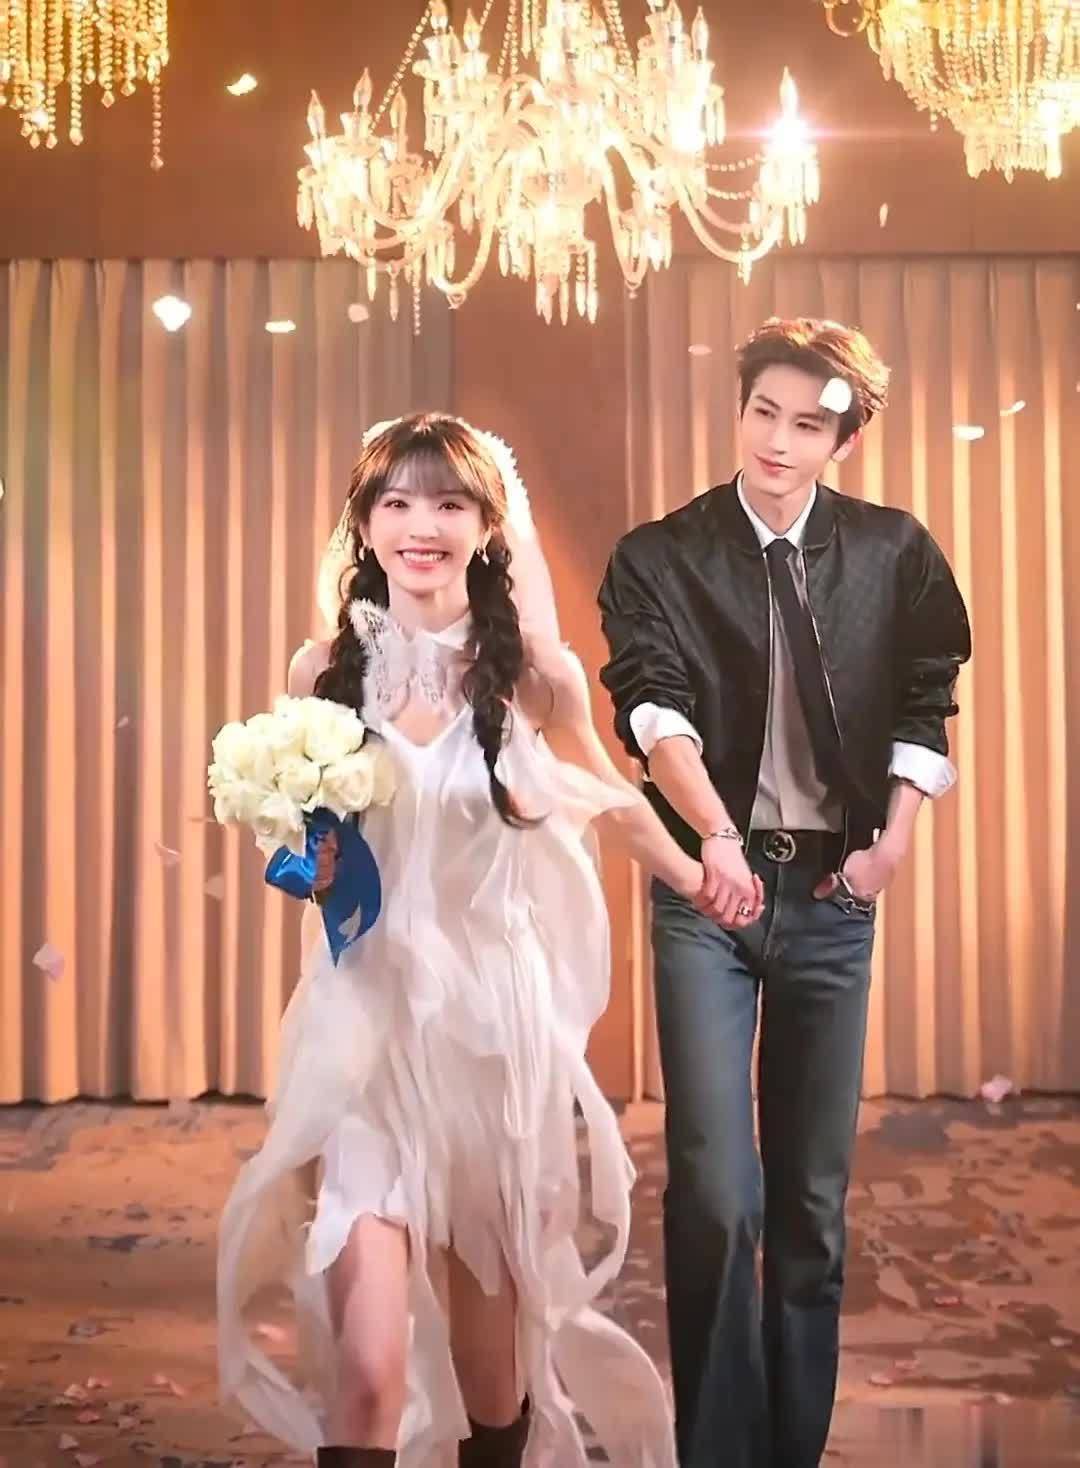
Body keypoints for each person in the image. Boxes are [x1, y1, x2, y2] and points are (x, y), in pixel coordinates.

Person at [218, 413, 720, 1468]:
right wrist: (306, 857)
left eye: (448, 503)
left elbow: (607, 796)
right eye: (397, 501)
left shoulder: (534, 674)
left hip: (490, 1042)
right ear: (365, 523)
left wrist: (699, 871)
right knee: (367, 1372)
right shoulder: (322, 672)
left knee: (493, 1384)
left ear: (488, 526)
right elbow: (303, 852)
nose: (422, 525)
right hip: (365, 1034)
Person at [597, 318, 972, 1468]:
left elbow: (925, 698)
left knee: (811, 1200)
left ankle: (790, 1451)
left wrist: (889, 847)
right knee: (715, 1191)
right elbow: (653, 708)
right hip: (707, 897)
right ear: (740, 409)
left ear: (842, 441)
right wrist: (712, 835)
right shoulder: (660, 556)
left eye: (808, 424)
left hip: (833, 893)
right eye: (764, 411)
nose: (777, 439)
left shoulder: (895, 552)